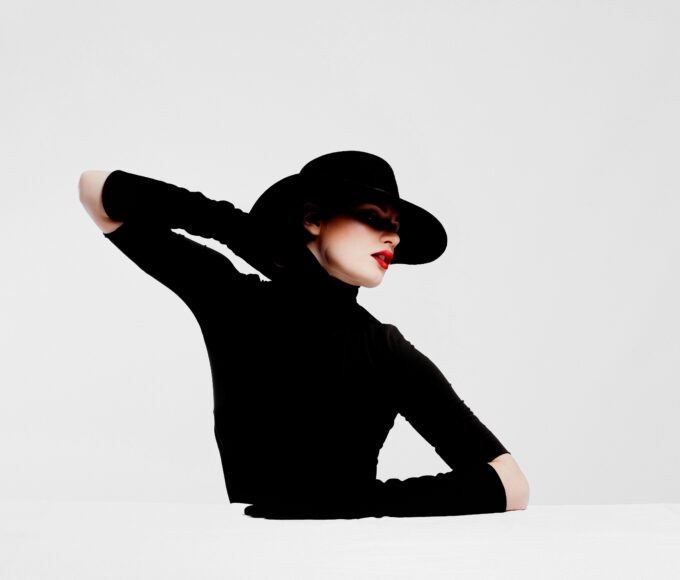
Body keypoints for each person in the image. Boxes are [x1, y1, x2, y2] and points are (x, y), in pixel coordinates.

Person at [79, 150, 529, 519]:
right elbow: (96, 190)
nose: (392, 238)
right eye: (374, 218)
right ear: (312, 219)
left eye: (395, 228)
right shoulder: (233, 301)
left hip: (350, 559)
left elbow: (510, 483)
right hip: (241, 557)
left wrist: (353, 503)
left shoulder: (384, 348)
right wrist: (247, 235)